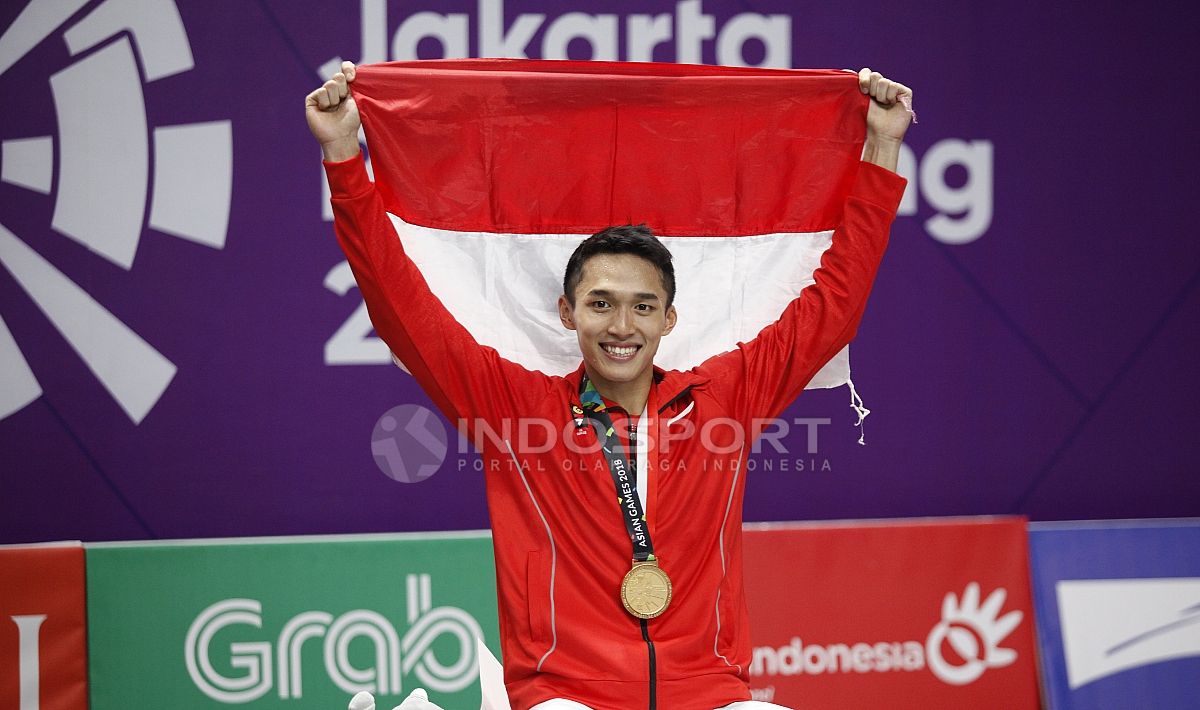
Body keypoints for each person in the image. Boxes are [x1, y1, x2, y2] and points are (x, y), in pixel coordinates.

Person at [308, 60, 912, 710]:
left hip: (709, 694)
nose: (621, 325)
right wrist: (344, 153)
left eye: (642, 306)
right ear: (567, 314)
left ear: (669, 319)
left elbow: (833, 308)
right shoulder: (513, 410)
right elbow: (403, 309)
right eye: (600, 304)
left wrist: (882, 146)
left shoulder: (726, 397)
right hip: (565, 697)